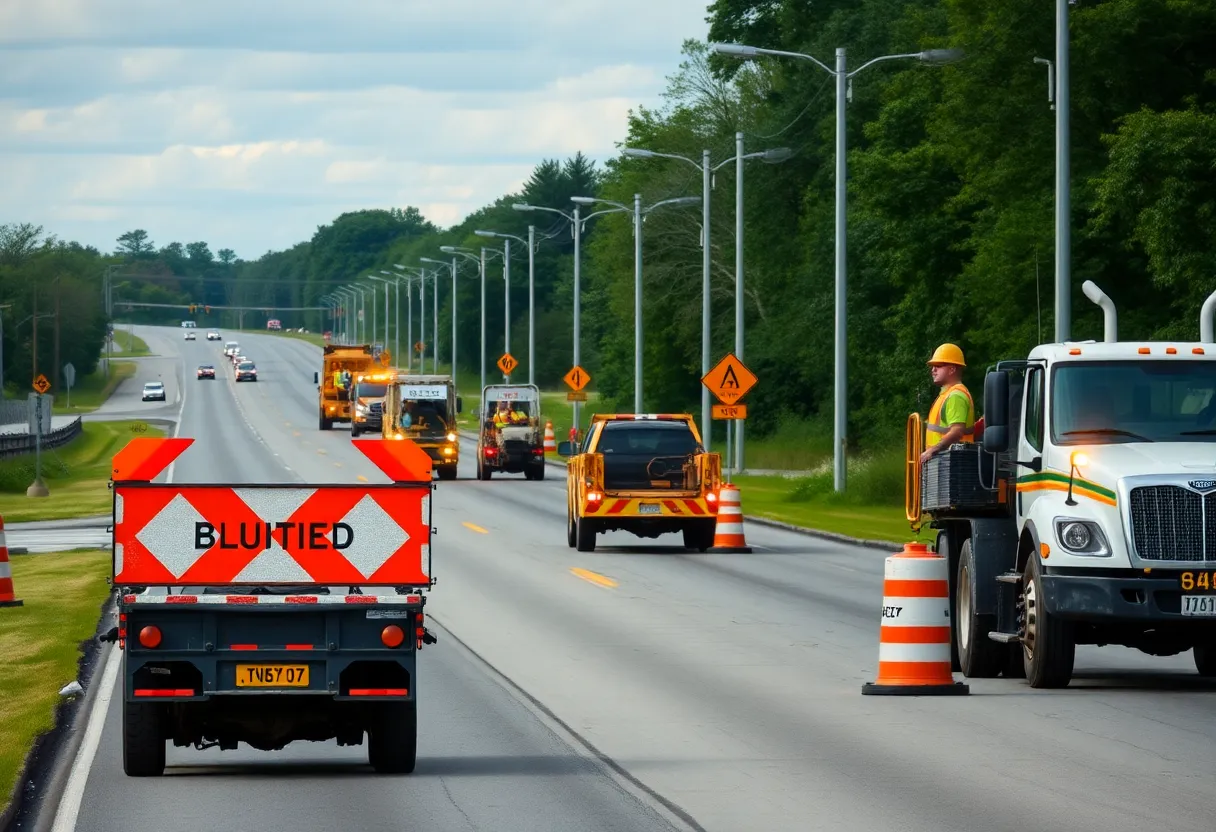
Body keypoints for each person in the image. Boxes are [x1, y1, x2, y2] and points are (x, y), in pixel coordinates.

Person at [920, 343, 976, 465]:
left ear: (952, 369)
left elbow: (957, 431)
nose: (933, 370)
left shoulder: (955, 396)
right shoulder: (947, 395)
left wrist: (933, 450)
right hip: (943, 464)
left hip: (951, 465)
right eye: (932, 366)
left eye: (938, 366)